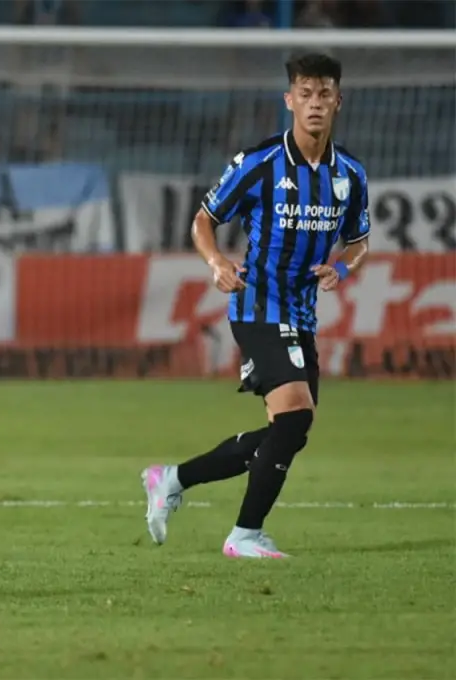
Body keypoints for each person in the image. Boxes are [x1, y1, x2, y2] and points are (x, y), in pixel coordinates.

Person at [141, 52, 371, 558]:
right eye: (305, 94)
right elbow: (203, 220)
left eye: (324, 94)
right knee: (295, 417)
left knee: (291, 430)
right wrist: (216, 263)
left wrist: (344, 267)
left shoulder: (350, 173)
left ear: (339, 101)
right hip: (258, 305)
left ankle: (172, 479)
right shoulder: (260, 163)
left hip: (302, 313)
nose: (315, 103)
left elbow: (359, 240)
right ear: (289, 101)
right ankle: (244, 535)